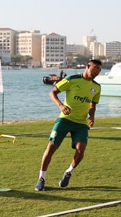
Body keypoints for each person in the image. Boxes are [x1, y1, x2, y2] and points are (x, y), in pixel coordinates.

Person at [37, 58, 102, 191]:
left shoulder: (96, 87)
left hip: (81, 124)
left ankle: (68, 172)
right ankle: (41, 178)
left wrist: (92, 115)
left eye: (100, 70)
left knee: (81, 150)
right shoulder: (72, 79)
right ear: (88, 66)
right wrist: (61, 105)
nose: (97, 72)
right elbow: (53, 92)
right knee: (51, 146)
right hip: (65, 120)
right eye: (95, 68)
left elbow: (92, 104)